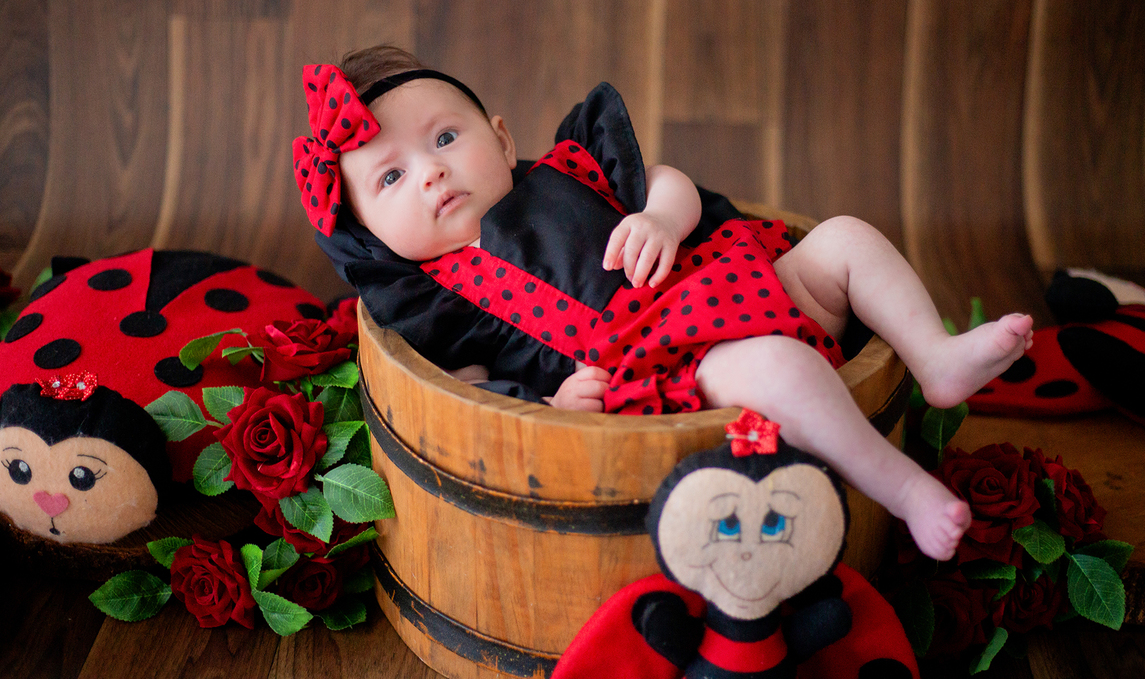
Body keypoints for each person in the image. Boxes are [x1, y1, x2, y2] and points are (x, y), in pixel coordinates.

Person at [294, 45, 1034, 560]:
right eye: (391, 178)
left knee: (843, 239)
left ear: (503, 139)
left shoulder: (571, 168)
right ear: (369, 234)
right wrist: (549, 407)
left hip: (735, 280)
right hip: (674, 365)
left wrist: (661, 220)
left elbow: (667, 181)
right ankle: (902, 488)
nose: (430, 173)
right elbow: (466, 401)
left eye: (446, 137)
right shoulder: (435, 300)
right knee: (775, 367)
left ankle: (935, 359)